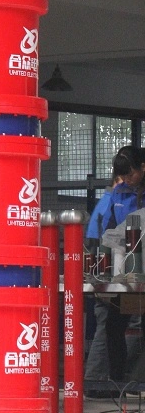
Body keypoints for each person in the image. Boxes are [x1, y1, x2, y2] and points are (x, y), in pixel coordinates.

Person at [86, 146, 145, 383]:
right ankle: (118, 380)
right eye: (124, 176)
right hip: (127, 274)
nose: (128, 180)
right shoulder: (119, 194)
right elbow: (108, 231)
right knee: (113, 324)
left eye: (131, 174)